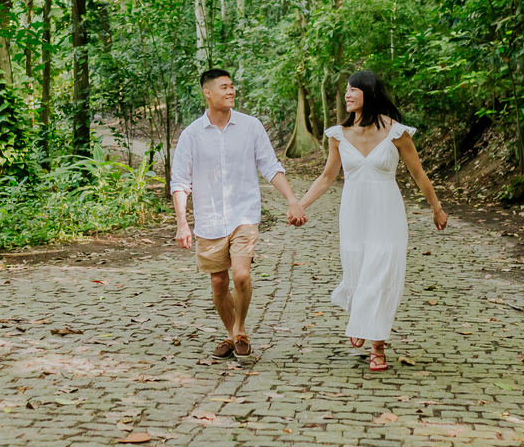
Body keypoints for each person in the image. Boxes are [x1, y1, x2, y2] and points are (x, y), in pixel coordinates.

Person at [298, 71, 447, 372]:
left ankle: (377, 347)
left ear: (370, 93)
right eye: (347, 90)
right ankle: (359, 315)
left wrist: (437, 208)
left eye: (354, 90)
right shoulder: (338, 135)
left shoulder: (396, 133)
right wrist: (298, 206)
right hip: (354, 213)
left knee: (381, 275)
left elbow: (418, 174)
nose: (347, 95)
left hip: (387, 212)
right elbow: (327, 178)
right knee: (357, 273)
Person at [171, 69, 307, 360]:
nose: (231, 91)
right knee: (219, 283)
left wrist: (293, 200)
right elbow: (181, 182)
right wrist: (182, 222)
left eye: (232, 86)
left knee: (241, 275)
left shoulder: (251, 126)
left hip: (244, 213)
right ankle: (232, 335)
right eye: (224, 87)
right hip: (209, 219)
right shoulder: (192, 135)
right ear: (208, 93)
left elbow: (270, 165)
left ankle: (240, 329)